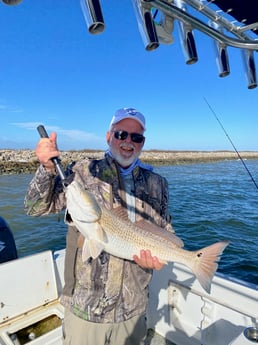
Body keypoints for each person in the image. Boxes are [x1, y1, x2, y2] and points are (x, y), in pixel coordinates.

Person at [24, 107, 174, 345]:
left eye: (136, 137)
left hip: (132, 310)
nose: (128, 142)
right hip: (85, 308)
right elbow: (36, 208)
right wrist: (47, 169)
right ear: (108, 136)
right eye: (121, 134)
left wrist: (158, 256)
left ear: (142, 142)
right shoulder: (81, 171)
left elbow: (165, 231)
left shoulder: (158, 183)